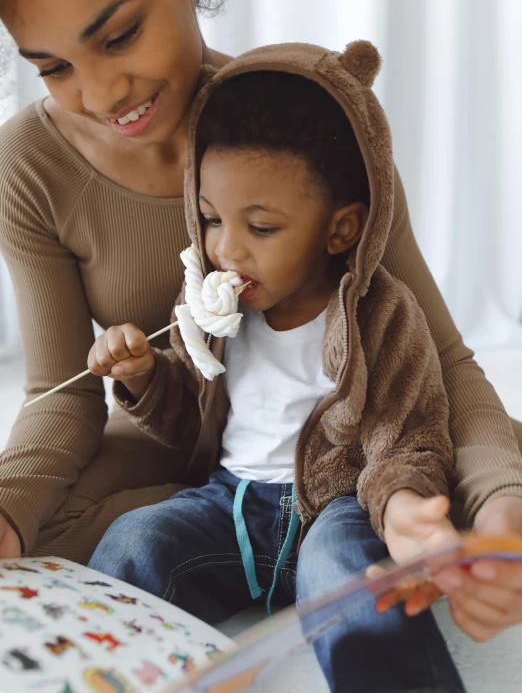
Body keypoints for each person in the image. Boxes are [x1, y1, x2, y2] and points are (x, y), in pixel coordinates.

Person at [0, 0, 520, 644]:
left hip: (343, 440)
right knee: (46, 546)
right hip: (181, 432)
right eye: (51, 66)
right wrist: (9, 510)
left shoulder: (312, 133)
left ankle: (344, 535)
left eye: (117, 36)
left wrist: (500, 502)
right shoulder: (28, 164)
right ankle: (282, 542)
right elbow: (61, 399)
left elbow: (442, 358)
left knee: (460, 469)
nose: (100, 93)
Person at [89, 45, 466, 692]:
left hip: (336, 504)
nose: (225, 247)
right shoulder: (209, 309)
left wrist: (403, 503)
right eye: (209, 218)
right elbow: (188, 417)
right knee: (134, 539)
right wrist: (143, 374)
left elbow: (407, 434)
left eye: (260, 226)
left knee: (346, 575)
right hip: (231, 503)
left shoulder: (380, 313)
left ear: (340, 229)